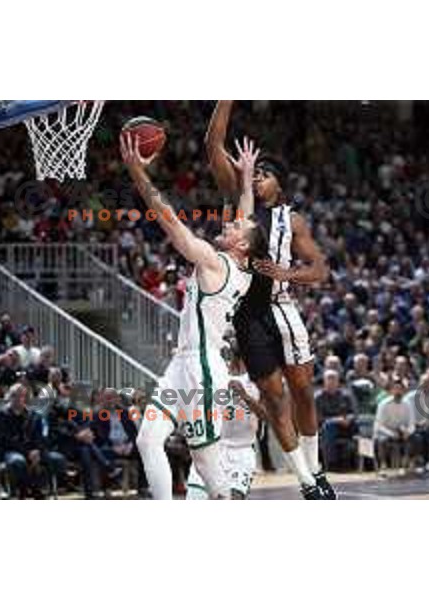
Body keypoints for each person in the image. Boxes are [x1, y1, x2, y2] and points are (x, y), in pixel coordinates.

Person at [123, 132, 267, 500]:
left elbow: (172, 224)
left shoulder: (217, 264)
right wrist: (245, 180)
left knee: (205, 464)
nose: (229, 223)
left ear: (242, 246)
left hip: (203, 370)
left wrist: (140, 176)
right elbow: (248, 216)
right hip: (183, 364)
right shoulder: (241, 268)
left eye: (235, 228)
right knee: (148, 439)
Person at [206, 100, 334, 499]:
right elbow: (213, 142)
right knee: (275, 400)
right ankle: (307, 483)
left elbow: (321, 270)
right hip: (247, 315)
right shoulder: (237, 194)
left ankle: (317, 469)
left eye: (264, 175)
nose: (256, 179)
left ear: (279, 184)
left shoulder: (291, 220)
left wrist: (289, 274)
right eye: (255, 173)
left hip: (282, 306)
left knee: (302, 393)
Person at [186, 348, 266, 500]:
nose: (231, 338)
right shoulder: (215, 373)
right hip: (211, 449)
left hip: (241, 452)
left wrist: (245, 397)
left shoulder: (258, 377)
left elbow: (269, 416)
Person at [315, 369, 358, 470]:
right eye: (329, 379)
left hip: (347, 426)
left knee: (361, 426)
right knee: (329, 427)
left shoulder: (346, 396)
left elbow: (354, 412)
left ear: (338, 381)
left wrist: (348, 419)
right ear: (324, 381)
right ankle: (332, 463)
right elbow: (319, 418)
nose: (331, 382)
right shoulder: (318, 397)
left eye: (334, 379)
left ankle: (365, 463)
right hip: (326, 427)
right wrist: (336, 420)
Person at [373, 377, 415, 476]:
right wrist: (391, 434)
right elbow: (379, 425)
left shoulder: (408, 404)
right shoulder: (383, 404)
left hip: (401, 431)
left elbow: (411, 423)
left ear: (404, 391)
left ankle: (405, 465)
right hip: (385, 431)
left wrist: (408, 432)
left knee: (416, 438)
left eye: (400, 389)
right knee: (382, 440)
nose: (398, 391)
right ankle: (383, 466)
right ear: (391, 390)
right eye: (396, 389)